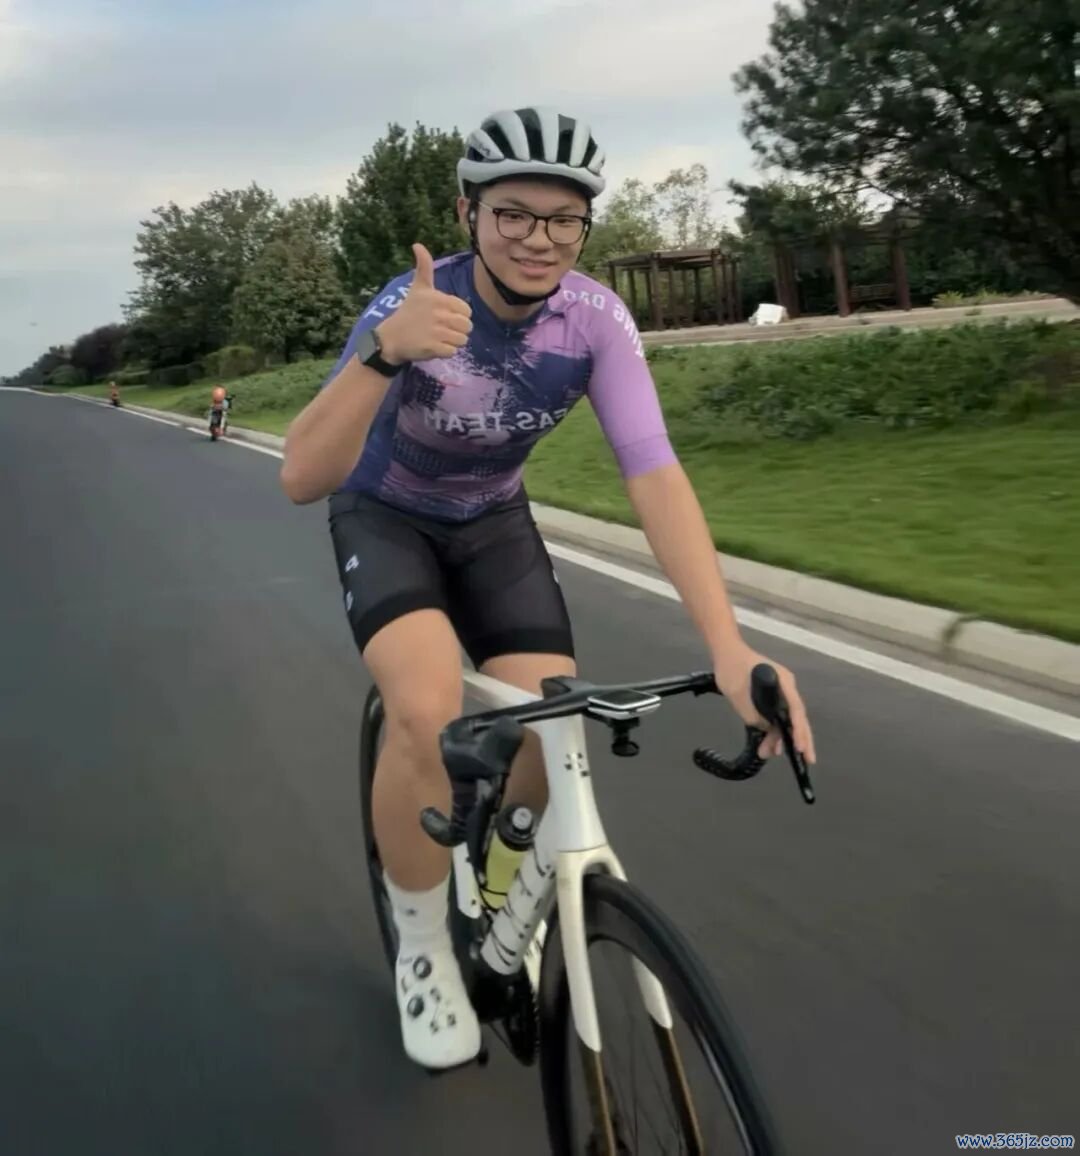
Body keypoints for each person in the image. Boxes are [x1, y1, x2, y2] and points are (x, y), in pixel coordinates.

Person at [280, 106, 817, 1071]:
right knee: (425, 711)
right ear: (469, 214)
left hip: (493, 522)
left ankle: (500, 871)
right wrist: (385, 350)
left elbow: (653, 472)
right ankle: (422, 947)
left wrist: (729, 646)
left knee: (551, 723)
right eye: (514, 214)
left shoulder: (595, 320)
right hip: (386, 513)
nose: (539, 238)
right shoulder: (413, 302)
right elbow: (302, 476)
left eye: (564, 219)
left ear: (585, 226)